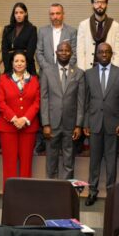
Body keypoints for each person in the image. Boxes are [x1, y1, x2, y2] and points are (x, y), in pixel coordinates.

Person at [83, 43, 119, 206]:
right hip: (94, 124)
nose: (103, 54)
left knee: (111, 161)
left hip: (113, 125)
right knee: (94, 161)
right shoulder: (88, 74)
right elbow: (86, 101)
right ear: (96, 54)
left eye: (107, 52)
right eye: (100, 52)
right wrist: (86, 123)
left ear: (111, 54)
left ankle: (111, 192)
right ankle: (92, 191)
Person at [39, 41, 84, 179]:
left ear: (71, 53)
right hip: (52, 124)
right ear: (56, 53)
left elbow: (81, 101)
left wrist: (78, 125)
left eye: (67, 50)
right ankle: (52, 186)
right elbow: (44, 98)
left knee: (69, 159)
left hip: (70, 124)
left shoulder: (79, 73)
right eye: (61, 50)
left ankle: (66, 188)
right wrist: (45, 124)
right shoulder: (47, 72)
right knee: (51, 159)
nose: (64, 53)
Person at [0, 52, 40, 187]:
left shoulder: (34, 79)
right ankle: (9, 195)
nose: (19, 63)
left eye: (22, 61)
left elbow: (37, 102)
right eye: (16, 61)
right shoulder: (3, 79)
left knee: (26, 164)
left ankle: (25, 195)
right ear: (12, 63)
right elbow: (1, 102)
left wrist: (25, 119)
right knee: (9, 164)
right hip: (8, 128)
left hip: (28, 128)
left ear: (27, 63)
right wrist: (14, 119)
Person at [76, 0, 119, 70]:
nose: (100, 5)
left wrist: (115, 71)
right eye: (96, 2)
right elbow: (80, 51)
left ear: (106, 5)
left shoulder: (115, 26)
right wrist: (82, 71)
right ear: (92, 5)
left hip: (109, 69)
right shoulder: (83, 25)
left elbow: (117, 52)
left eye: (103, 2)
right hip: (89, 69)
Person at [35, 3, 77, 71]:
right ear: (49, 16)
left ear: (63, 14)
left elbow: (74, 53)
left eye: (58, 13)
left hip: (65, 72)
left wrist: (64, 68)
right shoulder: (42, 31)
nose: (55, 16)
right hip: (46, 72)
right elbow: (39, 52)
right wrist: (47, 68)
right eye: (52, 14)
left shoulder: (72, 31)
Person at [1, 2, 37, 75]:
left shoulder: (32, 29)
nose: (18, 15)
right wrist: (9, 65)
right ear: (13, 14)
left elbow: (30, 52)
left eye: (21, 12)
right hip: (9, 66)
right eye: (16, 13)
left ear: (25, 13)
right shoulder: (7, 29)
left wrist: (20, 63)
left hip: (27, 67)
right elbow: (4, 50)